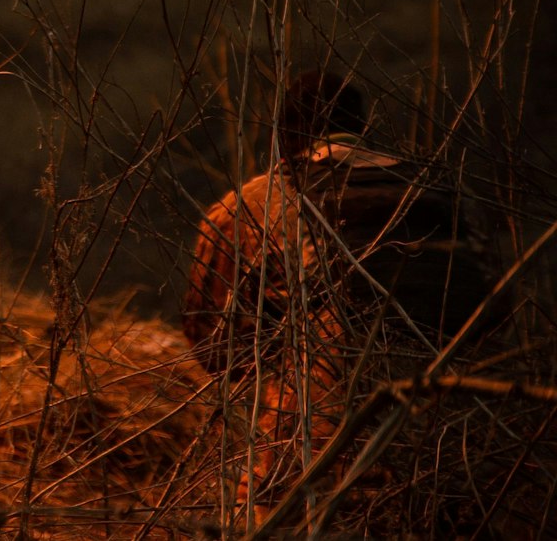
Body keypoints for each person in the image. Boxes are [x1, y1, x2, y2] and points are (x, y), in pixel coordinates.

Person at [182, 73, 497, 508]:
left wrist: (275, 363)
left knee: (262, 511)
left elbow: (213, 339)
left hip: (320, 439)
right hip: (460, 434)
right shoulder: (447, 192)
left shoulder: (256, 202)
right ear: (362, 126)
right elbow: (496, 307)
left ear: (285, 133)